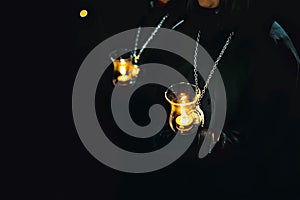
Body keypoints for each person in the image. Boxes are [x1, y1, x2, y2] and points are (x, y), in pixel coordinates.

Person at [124, 0, 299, 198]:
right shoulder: (180, 24)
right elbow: (154, 95)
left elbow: (281, 120)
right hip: (172, 179)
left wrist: (230, 143)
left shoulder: (266, 36)